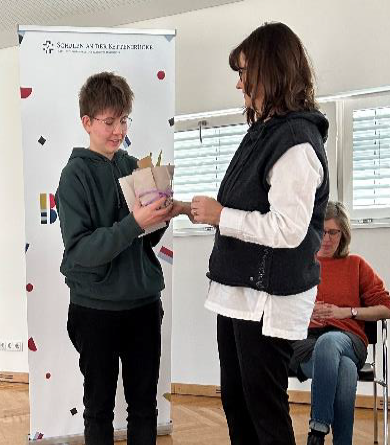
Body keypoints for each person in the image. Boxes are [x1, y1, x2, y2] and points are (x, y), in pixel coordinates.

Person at [173, 22, 330, 444]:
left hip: (268, 300)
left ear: (271, 71)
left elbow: (288, 229)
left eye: (244, 72)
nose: (239, 83)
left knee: (264, 410)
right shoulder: (265, 131)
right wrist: (195, 210)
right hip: (242, 294)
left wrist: (221, 214)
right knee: (238, 404)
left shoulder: (296, 142)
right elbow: (248, 207)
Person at [55, 71, 173, 444]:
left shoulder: (133, 166)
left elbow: (146, 242)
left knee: (144, 407)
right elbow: (81, 251)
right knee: (99, 409)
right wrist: (134, 222)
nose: (118, 130)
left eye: (123, 120)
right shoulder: (73, 176)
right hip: (95, 311)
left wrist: (160, 216)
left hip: (142, 305)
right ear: (86, 122)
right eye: (109, 122)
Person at [290, 201, 390, 445]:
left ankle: (317, 429)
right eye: (322, 231)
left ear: (343, 233)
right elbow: (277, 306)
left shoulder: (356, 265)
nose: (326, 238)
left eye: (333, 232)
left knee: (331, 341)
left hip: (349, 340)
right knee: (345, 370)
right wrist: (306, 312)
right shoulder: (300, 265)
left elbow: (386, 307)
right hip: (306, 344)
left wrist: (347, 312)